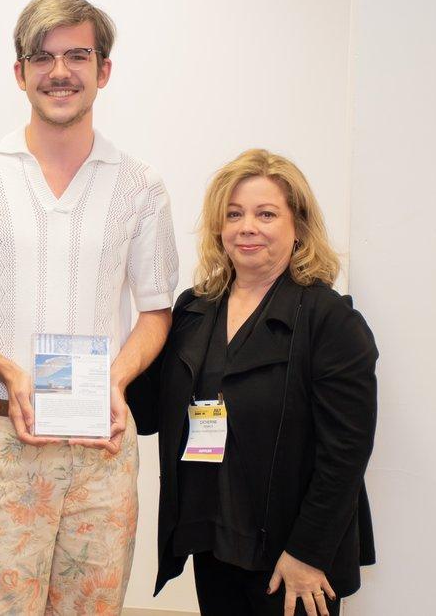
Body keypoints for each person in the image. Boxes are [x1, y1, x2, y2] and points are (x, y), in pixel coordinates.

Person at [0, 0, 178, 613]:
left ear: (103, 70)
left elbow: (156, 311)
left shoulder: (141, 185)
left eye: (77, 55)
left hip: (100, 449)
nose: (60, 72)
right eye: (42, 56)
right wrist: (8, 370)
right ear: (20, 72)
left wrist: (116, 379)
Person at [128, 149, 378, 616]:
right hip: (212, 539)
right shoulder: (193, 309)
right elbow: (146, 413)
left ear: (298, 225)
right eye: (234, 214)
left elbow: (346, 453)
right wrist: (136, 313)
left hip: (292, 560)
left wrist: (308, 552)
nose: (247, 227)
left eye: (266, 214)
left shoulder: (329, 319)